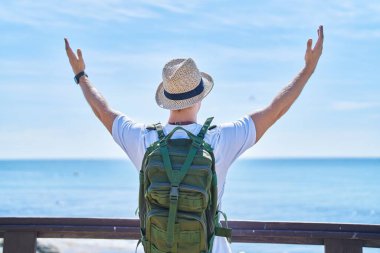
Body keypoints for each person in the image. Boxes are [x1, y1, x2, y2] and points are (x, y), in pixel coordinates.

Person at [65, 25, 324, 253]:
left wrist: (81, 75)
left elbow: (103, 111)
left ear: (166, 99)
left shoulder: (144, 140)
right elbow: (275, 110)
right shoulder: (221, 139)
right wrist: (308, 70)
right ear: (200, 97)